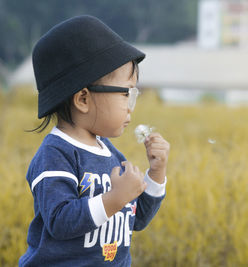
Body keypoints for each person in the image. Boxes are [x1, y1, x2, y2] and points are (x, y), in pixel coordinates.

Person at [19, 15, 169, 266]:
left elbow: (137, 218)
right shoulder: (56, 154)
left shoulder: (110, 154)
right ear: (83, 100)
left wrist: (156, 174)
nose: (131, 107)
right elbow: (59, 221)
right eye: (126, 94)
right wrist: (114, 199)